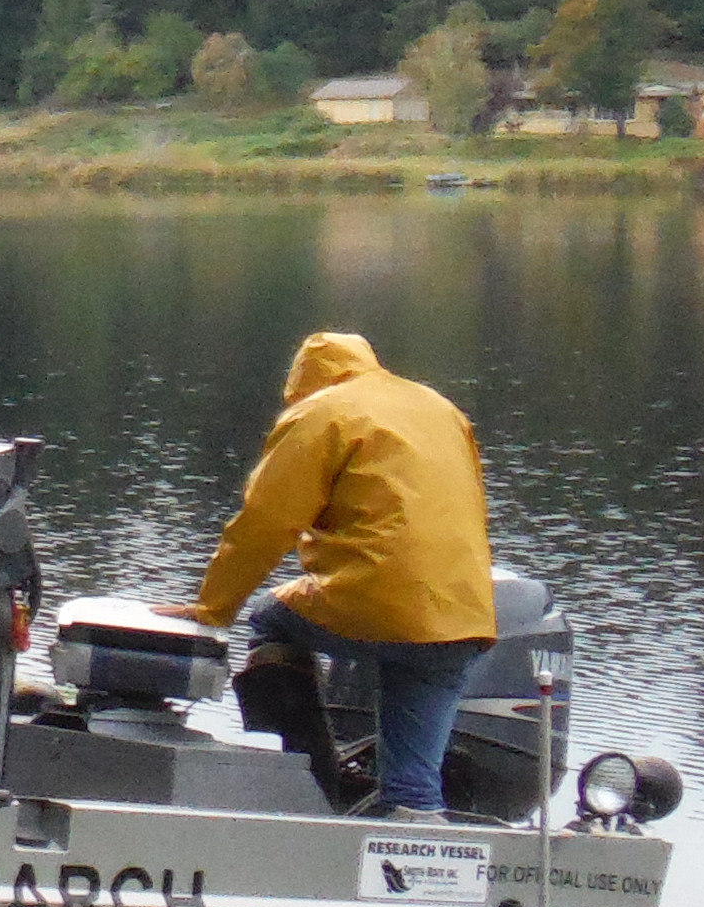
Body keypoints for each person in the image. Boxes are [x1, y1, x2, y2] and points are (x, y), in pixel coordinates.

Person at [182, 331, 493, 819]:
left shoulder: (321, 411)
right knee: (414, 792)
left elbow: (268, 521)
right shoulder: (439, 407)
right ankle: (420, 862)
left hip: (374, 602)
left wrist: (214, 609)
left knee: (270, 618)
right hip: (463, 617)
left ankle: (312, 783)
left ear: (302, 381)